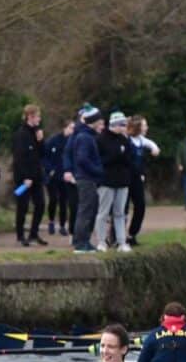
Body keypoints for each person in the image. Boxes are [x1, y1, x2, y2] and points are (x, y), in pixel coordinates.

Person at [65, 105, 103, 252]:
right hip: (86, 178)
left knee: (88, 210)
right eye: (98, 121)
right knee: (86, 211)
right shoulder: (85, 137)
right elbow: (82, 159)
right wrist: (97, 170)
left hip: (86, 177)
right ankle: (81, 243)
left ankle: (82, 240)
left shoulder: (87, 136)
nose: (101, 124)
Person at [94, 111, 133, 252]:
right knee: (103, 213)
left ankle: (121, 242)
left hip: (122, 181)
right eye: (122, 124)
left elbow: (129, 159)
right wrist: (117, 155)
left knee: (119, 213)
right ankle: (101, 241)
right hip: (106, 181)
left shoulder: (124, 140)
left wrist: (122, 156)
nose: (124, 127)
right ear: (114, 124)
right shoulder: (100, 139)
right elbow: (100, 161)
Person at [13, 104, 47, 246]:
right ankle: (20, 235)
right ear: (30, 117)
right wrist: (25, 176)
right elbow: (20, 157)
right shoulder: (21, 134)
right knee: (23, 206)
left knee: (40, 204)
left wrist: (40, 141)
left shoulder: (36, 133)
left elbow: (42, 154)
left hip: (37, 174)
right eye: (37, 116)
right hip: (24, 176)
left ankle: (34, 233)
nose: (39, 119)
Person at [125, 115, 160, 247]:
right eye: (145, 125)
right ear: (138, 127)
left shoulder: (141, 140)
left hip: (137, 179)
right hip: (125, 179)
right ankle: (117, 237)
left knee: (140, 207)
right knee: (122, 209)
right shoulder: (127, 140)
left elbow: (150, 143)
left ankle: (132, 234)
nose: (147, 127)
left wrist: (155, 149)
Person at [42, 117, 74, 237]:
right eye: (71, 128)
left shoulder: (73, 142)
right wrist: (50, 170)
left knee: (64, 201)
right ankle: (51, 221)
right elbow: (44, 157)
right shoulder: (53, 141)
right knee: (53, 199)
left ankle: (62, 225)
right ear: (65, 128)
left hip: (65, 176)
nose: (73, 130)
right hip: (53, 176)